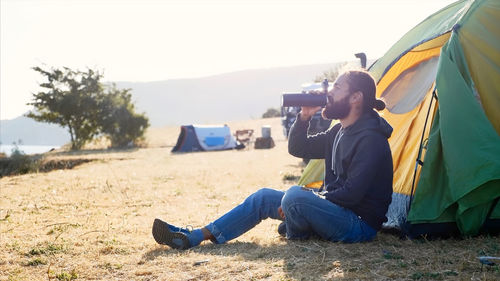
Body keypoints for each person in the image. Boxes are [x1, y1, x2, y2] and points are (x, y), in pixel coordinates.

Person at [152, 70, 393, 250]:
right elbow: (299, 147)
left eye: (337, 88)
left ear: (356, 98)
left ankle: (300, 228)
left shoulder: (371, 138)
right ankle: (194, 237)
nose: (329, 94)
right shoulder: (338, 131)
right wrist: (304, 118)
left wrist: (304, 202)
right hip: (336, 211)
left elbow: (351, 194)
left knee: (296, 196)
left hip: (358, 224)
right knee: (264, 196)